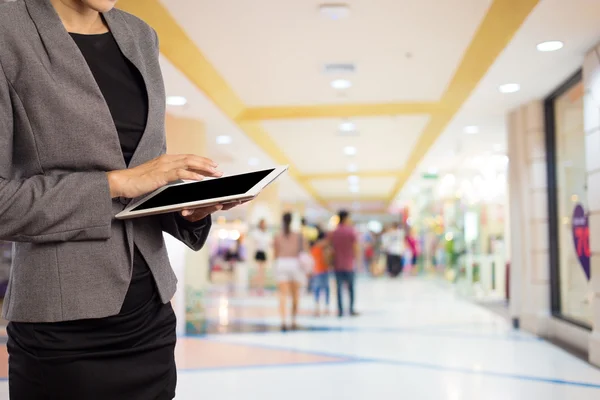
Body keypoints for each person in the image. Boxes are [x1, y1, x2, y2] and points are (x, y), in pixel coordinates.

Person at [0, 1, 247, 398]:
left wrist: (188, 210)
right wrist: (115, 183)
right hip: (63, 332)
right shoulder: (7, 29)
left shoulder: (139, 34)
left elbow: (146, 176)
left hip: (151, 317)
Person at [273, 213, 306, 331]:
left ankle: (283, 321)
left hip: (281, 264)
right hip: (294, 264)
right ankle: (293, 320)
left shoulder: (277, 236)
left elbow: (275, 254)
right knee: (295, 295)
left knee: (282, 295)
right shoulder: (298, 236)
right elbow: (303, 251)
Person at [328, 210, 359, 317]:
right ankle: (351, 309)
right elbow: (355, 247)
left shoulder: (334, 232)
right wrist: (358, 261)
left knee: (339, 288)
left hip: (337, 264)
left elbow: (329, 247)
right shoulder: (351, 231)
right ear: (346, 218)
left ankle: (340, 310)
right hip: (349, 264)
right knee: (351, 288)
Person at [311, 229, 331, 316]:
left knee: (317, 289)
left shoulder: (314, 247)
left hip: (317, 270)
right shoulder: (325, 246)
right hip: (323, 269)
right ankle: (326, 306)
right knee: (325, 288)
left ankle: (317, 306)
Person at [252, 219, 272, 294]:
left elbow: (268, 243)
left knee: (262, 271)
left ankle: (261, 287)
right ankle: (258, 287)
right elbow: (257, 242)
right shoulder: (257, 233)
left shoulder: (266, 233)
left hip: (263, 252)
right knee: (259, 271)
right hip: (259, 252)